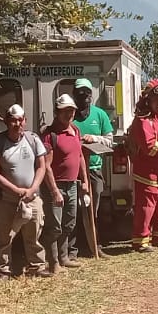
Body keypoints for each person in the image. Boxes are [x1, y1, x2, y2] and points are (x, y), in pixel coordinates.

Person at [0, 104, 51, 277]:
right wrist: (16, 190)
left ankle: (36, 266)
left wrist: (32, 189)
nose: (17, 124)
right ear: (7, 121)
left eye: (20, 120)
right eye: (13, 120)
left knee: (34, 234)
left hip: (32, 198)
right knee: (5, 237)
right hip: (7, 200)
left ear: (25, 121)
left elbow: (41, 167)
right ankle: (3, 269)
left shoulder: (33, 139)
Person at [127, 80, 158, 251]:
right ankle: (140, 241)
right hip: (148, 172)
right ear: (148, 100)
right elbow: (150, 147)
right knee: (146, 208)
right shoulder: (142, 121)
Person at [42, 94, 90, 269]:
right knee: (54, 226)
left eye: (71, 111)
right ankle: (53, 261)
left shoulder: (75, 130)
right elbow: (46, 166)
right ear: (57, 112)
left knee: (69, 223)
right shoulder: (50, 135)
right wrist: (54, 191)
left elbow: (80, 157)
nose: (69, 114)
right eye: (65, 111)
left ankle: (64, 257)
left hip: (72, 184)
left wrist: (84, 181)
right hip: (55, 185)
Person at [70, 77, 114, 253]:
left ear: (91, 94)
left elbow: (110, 142)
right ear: (75, 95)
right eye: (80, 93)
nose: (84, 96)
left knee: (92, 209)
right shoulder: (69, 115)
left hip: (94, 169)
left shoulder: (100, 114)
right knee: (72, 210)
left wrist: (94, 138)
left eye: (87, 92)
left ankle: (94, 245)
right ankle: (72, 249)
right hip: (73, 172)